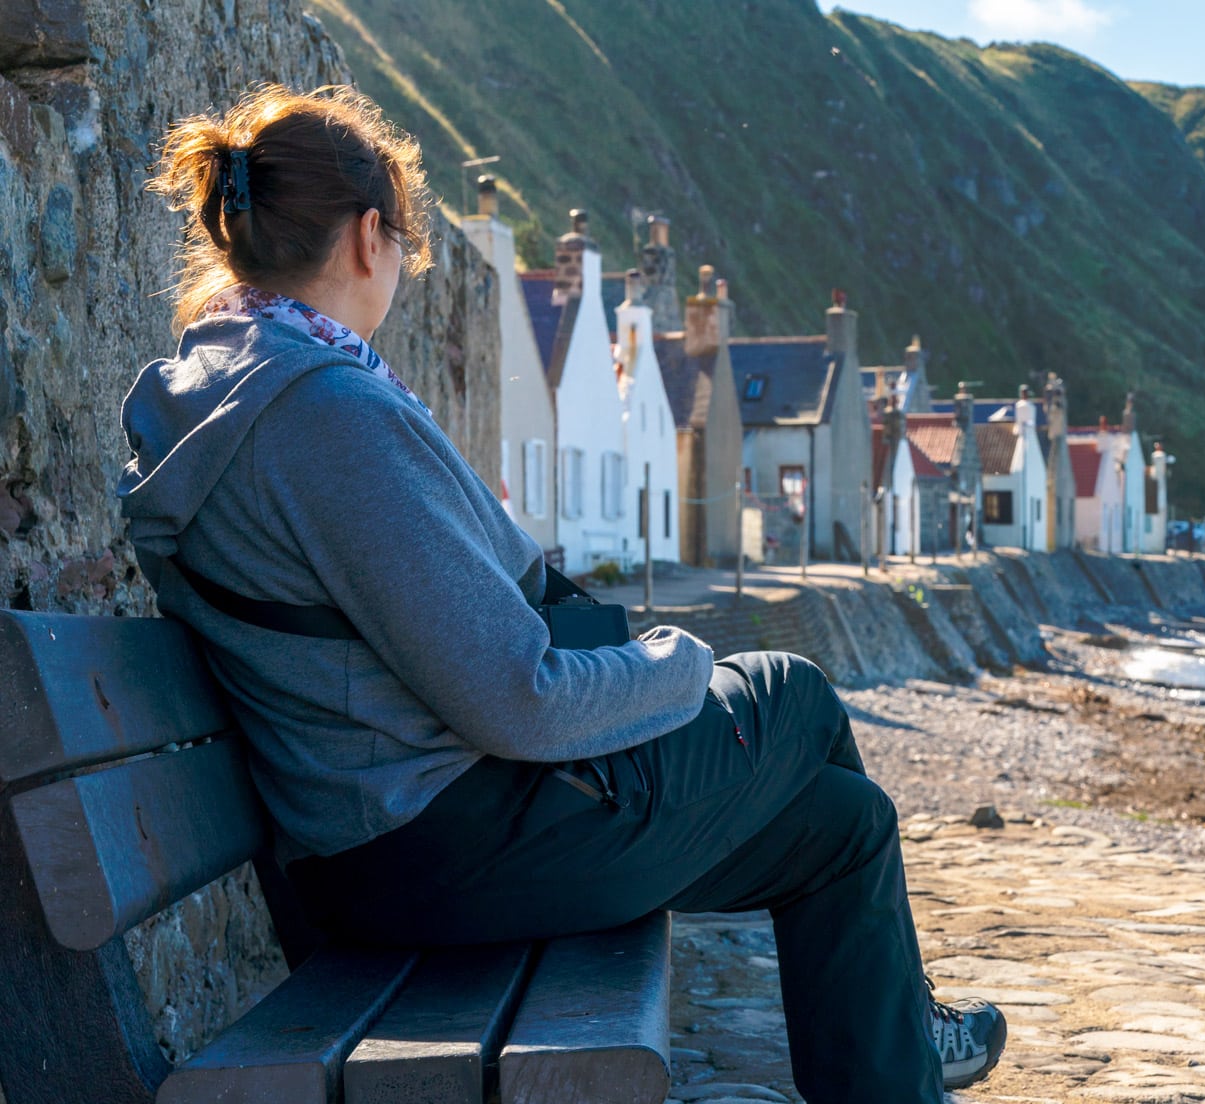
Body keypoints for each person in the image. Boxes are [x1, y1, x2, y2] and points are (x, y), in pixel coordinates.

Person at [118, 84, 1005, 1102]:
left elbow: (472, 592)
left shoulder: (222, 387)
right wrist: (679, 663)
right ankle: (910, 1040)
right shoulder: (325, 413)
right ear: (369, 236)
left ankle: (904, 1050)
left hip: (380, 845)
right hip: (446, 847)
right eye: (402, 241)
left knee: (844, 825)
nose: (403, 266)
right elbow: (517, 698)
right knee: (794, 691)